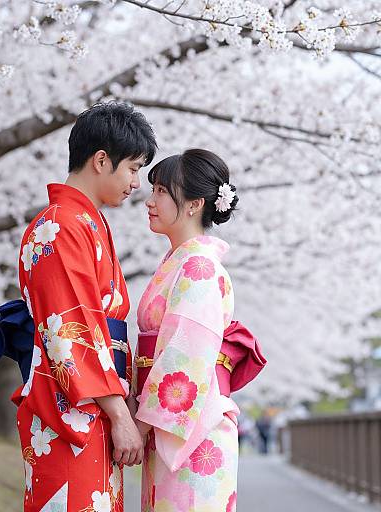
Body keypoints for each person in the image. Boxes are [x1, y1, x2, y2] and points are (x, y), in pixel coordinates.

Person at [13, 102, 157, 511]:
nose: (135, 183)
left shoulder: (85, 222)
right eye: (132, 169)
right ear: (100, 160)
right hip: (70, 404)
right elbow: (70, 331)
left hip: (93, 401)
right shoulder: (59, 227)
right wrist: (120, 415)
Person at [131, 149, 265, 512]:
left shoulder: (199, 268)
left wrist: (138, 426)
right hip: (173, 425)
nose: (150, 200)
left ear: (194, 204)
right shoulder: (181, 262)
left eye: (161, 190)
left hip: (195, 431)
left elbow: (186, 357)